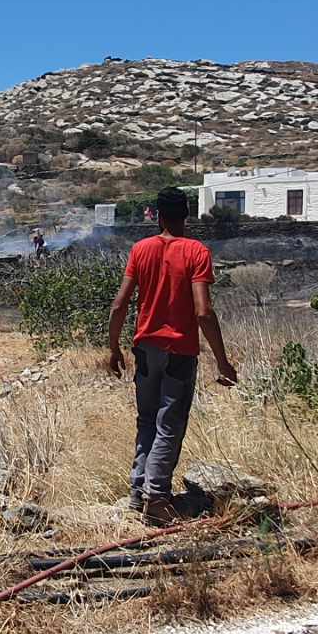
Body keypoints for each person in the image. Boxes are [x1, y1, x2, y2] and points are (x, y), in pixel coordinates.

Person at [106, 186, 236, 524]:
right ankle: (157, 497)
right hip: (179, 351)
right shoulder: (196, 252)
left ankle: (138, 492)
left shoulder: (140, 250)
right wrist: (222, 361)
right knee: (169, 424)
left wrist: (114, 347)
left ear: (158, 215)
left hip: (145, 349)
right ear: (186, 215)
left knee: (147, 420)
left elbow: (119, 304)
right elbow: (203, 312)